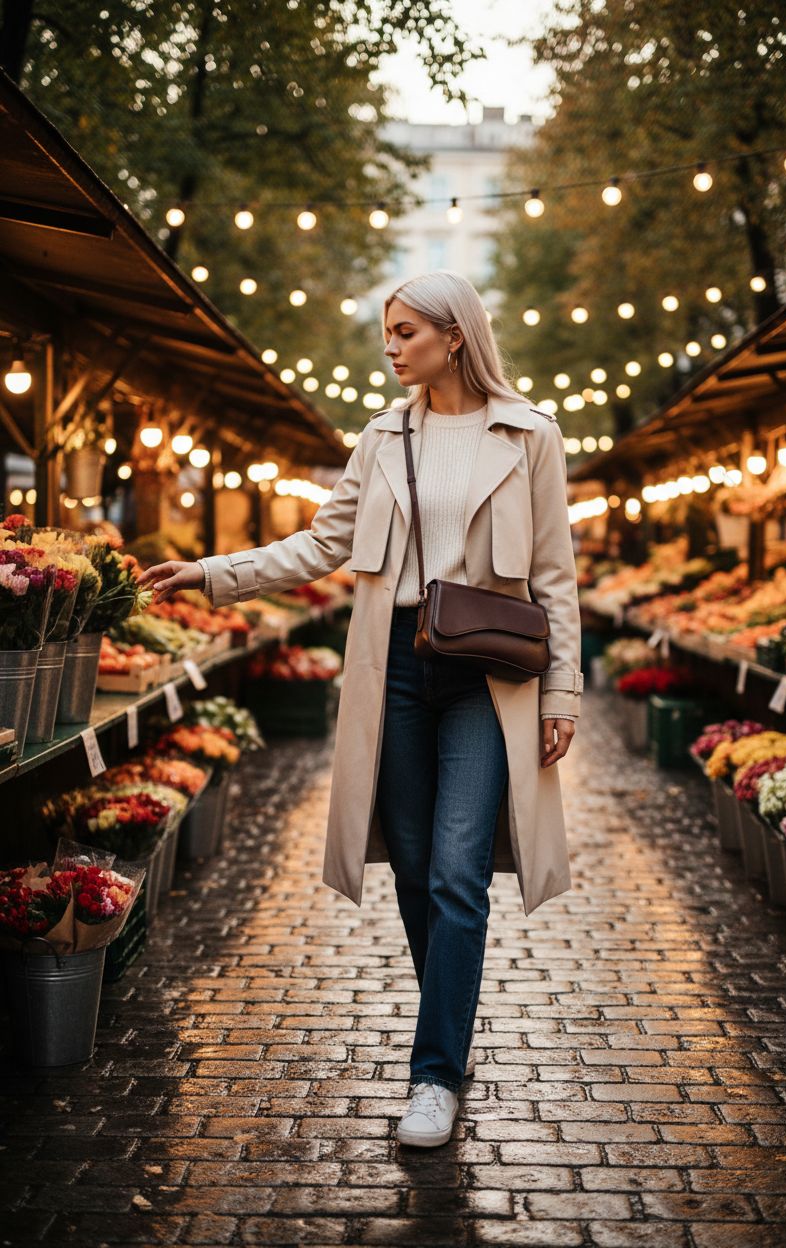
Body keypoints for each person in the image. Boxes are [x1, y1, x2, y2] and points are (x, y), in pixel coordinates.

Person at [138, 270, 583, 1149]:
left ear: (455, 336)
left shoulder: (530, 434)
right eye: (388, 330)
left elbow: (556, 575)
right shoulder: (382, 438)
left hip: (489, 677)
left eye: (407, 331)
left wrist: (562, 692)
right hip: (398, 671)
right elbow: (324, 541)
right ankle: (448, 1029)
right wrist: (215, 574)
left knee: (460, 872)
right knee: (415, 870)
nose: (391, 346)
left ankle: (434, 1075)